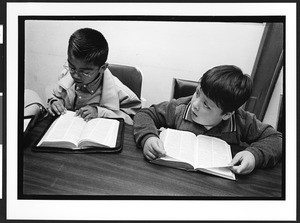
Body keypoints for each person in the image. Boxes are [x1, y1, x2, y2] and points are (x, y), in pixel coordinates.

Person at [133, 65, 282, 175]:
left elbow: (277, 139)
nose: (195, 104)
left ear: (226, 115)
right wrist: (148, 137)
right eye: (197, 93)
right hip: (172, 176)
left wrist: (254, 155)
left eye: (206, 105)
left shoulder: (241, 121)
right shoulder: (179, 108)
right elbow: (145, 114)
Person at [47, 28, 141, 125]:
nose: (75, 75)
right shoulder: (65, 75)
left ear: (102, 68)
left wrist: (100, 112)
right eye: (72, 67)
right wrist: (54, 102)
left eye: (84, 72)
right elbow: (55, 96)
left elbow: (135, 121)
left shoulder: (123, 94)